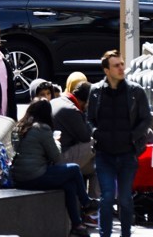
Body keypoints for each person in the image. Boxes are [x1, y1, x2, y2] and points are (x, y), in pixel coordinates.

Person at [86, 50, 151, 237]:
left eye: (122, 64)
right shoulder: (96, 91)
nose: (121, 68)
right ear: (107, 70)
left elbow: (145, 119)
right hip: (104, 154)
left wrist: (132, 136)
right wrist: (96, 132)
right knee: (106, 198)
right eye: (116, 65)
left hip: (127, 154)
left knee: (124, 199)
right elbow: (89, 118)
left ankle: (125, 234)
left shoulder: (135, 91)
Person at [11, 99, 97, 237]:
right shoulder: (42, 129)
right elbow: (56, 158)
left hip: (18, 177)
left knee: (69, 185)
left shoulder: (19, 127)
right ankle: (86, 203)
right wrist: (56, 141)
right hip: (35, 175)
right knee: (74, 169)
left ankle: (77, 225)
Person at [50, 81, 96, 197]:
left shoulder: (56, 101)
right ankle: (95, 210)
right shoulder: (71, 110)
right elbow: (86, 136)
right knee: (97, 143)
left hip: (52, 156)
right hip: (58, 159)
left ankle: (93, 207)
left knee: (99, 165)